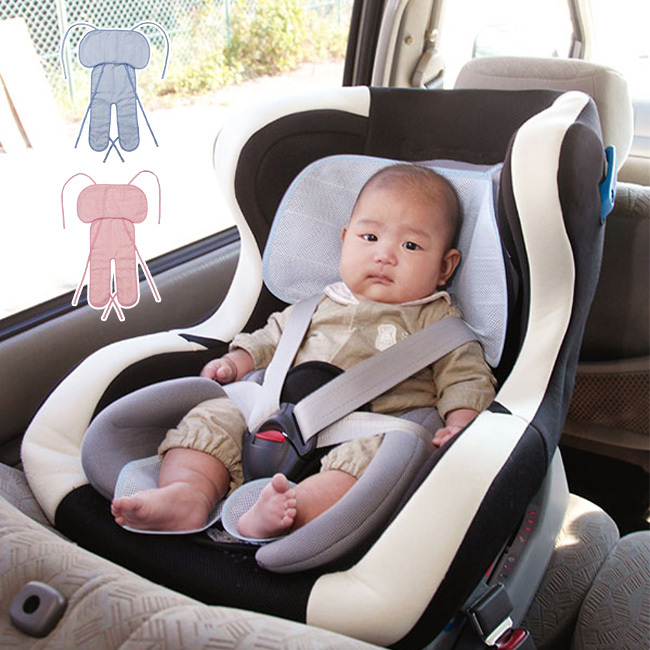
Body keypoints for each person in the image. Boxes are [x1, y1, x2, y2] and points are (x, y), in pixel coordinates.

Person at [111, 164, 496, 538]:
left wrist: (462, 422)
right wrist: (236, 361)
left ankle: (289, 511)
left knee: (375, 462)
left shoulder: (437, 323)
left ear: (445, 267)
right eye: (369, 238)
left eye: (410, 245)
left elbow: (465, 375)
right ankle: (188, 493)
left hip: (367, 429)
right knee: (213, 416)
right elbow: (270, 338)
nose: (384, 255)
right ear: (344, 239)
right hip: (274, 418)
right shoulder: (317, 304)